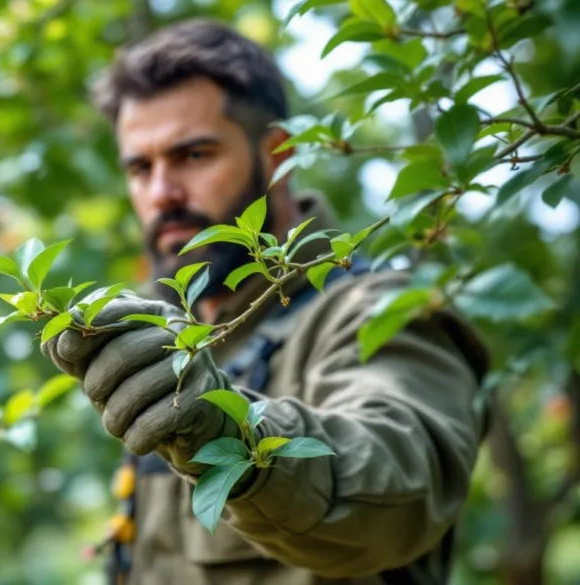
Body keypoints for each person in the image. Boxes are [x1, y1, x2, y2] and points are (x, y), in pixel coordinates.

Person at [39, 17, 490, 585]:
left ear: (277, 153)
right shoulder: (164, 337)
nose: (161, 194)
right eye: (139, 167)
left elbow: (398, 482)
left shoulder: (382, 311)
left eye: (193, 155)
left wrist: (228, 430)